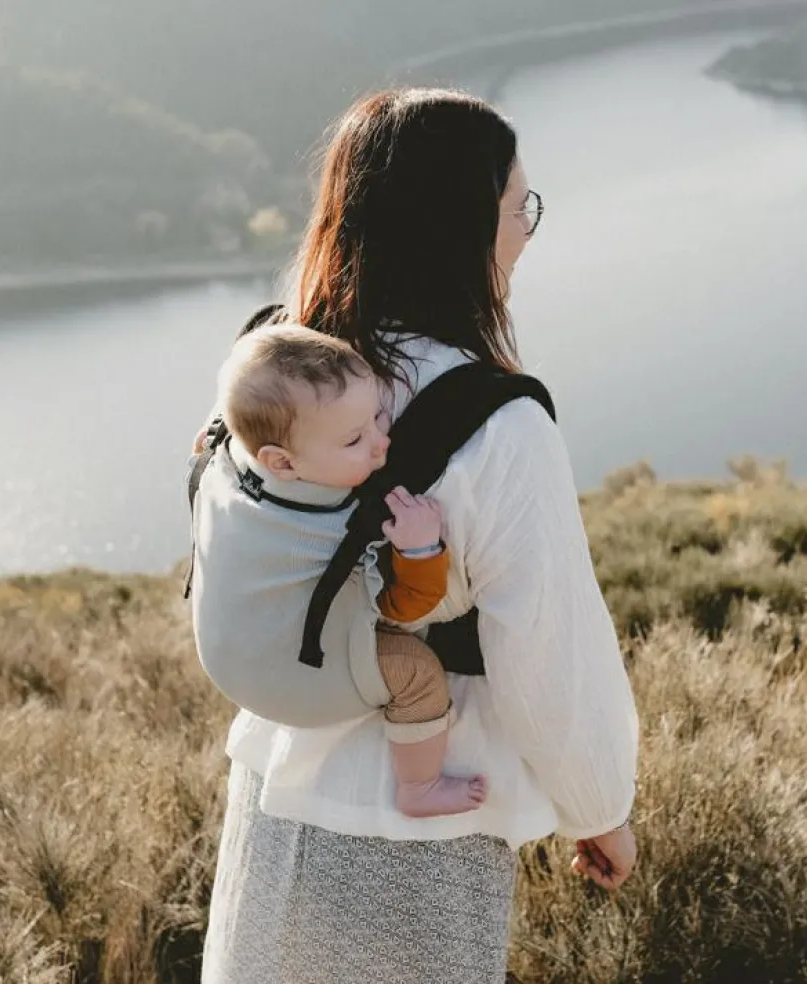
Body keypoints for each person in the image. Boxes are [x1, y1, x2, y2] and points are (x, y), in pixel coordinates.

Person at [196, 87, 640, 984]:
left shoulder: (274, 372)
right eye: (519, 209)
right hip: (424, 821)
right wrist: (600, 807)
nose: (525, 231)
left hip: (276, 788)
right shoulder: (496, 424)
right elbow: (545, 646)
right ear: (459, 229)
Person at [204, 322, 486, 817]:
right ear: (283, 462)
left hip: (226, 655)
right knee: (417, 673)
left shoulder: (227, 459)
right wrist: (419, 551)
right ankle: (418, 789)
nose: (382, 443)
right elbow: (402, 607)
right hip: (293, 687)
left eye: (379, 416)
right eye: (356, 439)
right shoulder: (337, 527)